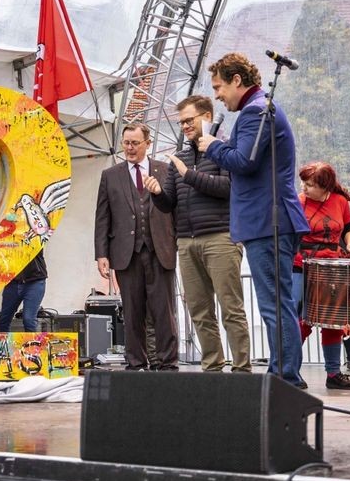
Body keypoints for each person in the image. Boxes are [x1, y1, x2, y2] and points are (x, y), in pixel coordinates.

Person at [198, 53, 309, 387]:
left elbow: (244, 160)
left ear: (236, 80)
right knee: (276, 302)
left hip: (268, 221)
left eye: (219, 86)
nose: (217, 95)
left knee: (275, 303)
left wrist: (213, 146)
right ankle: (282, 371)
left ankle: (285, 375)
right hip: (269, 219)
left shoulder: (255, 112)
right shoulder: (259, 110)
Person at [144, 94, 251, 372]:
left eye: (189, 120)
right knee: (200, 311)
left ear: (206, 116)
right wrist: (157, 193)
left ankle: (242, 368)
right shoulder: (178, 158)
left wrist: (189, 175)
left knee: (231, 308)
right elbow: (169, 203)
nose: (184, 126)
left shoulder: (226, 150)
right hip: (186, 242)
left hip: (220, 237)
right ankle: (212, 366)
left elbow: (229, 189)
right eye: (181, 123)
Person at [94, 123, 180, 370]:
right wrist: (101, 253)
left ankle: (167, 362)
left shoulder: (165, 171)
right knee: (132, 312)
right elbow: (103, 216)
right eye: (126, 143)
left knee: (164, 312)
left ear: (147, 144)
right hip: (125, 254)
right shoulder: (110, 176)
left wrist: (178, 245)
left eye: (135, 143)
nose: (129, 148)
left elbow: (175, 209)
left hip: (160, 250)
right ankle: (136, 363)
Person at [294, 162, 350, 391]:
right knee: (302, 318)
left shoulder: (340, 202)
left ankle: (333, 373)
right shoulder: (298, 202)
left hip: (331, 266)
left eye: (310, 184)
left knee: (333, 320)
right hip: (301, 266)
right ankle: (291, 371)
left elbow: (348, 229)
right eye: (304, 182)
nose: (304, 187)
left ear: (325, 187)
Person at [0, 250, 48, 332]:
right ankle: (0, 344)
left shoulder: (35, 238)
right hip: (13, 281)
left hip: (34, 280)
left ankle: (33, 344)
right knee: (4, 319)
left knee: (29, 319)